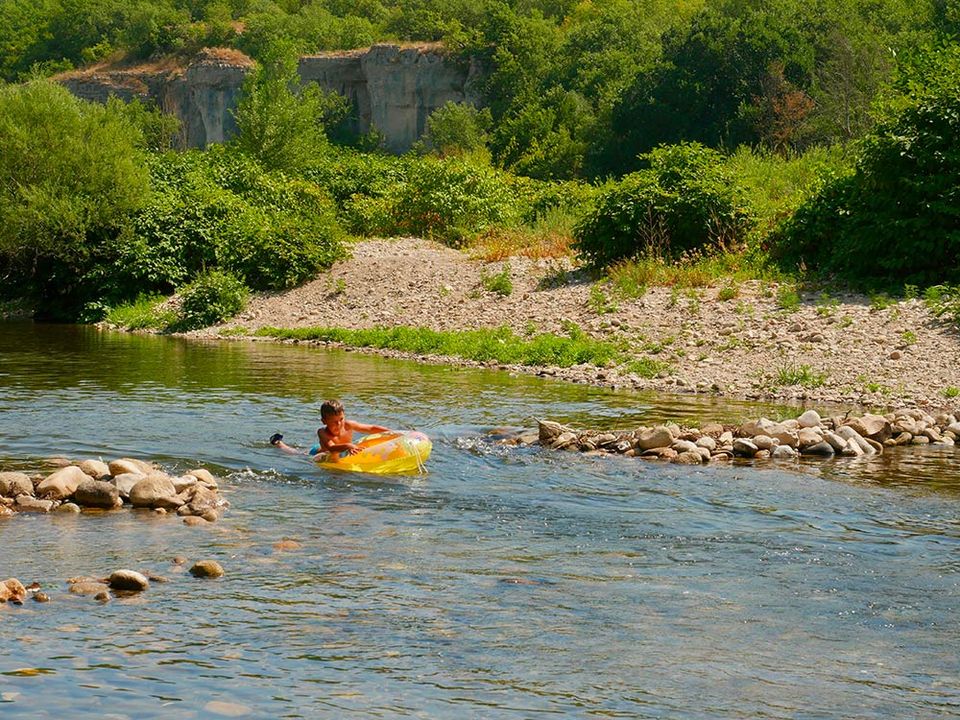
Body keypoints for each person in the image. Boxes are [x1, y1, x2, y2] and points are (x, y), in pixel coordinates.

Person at [269, 399, 390, 457]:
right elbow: (331, 448)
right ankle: (279, 443)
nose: (339, 424)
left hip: (342, 451)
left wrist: (391, 432)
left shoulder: (348, 424)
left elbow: (371, 428)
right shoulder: (322, 432)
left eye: (341, 419)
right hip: (319, 452)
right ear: (324, 421)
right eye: (333, 422)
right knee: (296, 453)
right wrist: (348, 445)